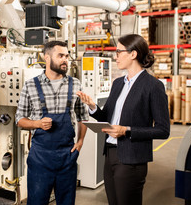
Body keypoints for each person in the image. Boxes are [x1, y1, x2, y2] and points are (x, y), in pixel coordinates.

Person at [76, 34, 170, 205]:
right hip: (110, 154)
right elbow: (107, 117)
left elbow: (163, 130)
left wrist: (126, 130)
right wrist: (92, 107)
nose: (115, 56)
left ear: (133, 54)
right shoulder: (118, 83)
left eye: (119, 52)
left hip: (132, 160)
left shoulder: (153, 86)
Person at [15, 40, 89, 205]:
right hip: (40, 157)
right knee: (37, 202)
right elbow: (19, 119)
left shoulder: (75, 84)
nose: (65, 60)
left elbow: (82, 116)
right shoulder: (30, 86)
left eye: (67, 56)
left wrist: (81, 141)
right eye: (60, 55)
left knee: (67, 202)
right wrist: (37, 124)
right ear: (46, 58)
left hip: (67, 156)